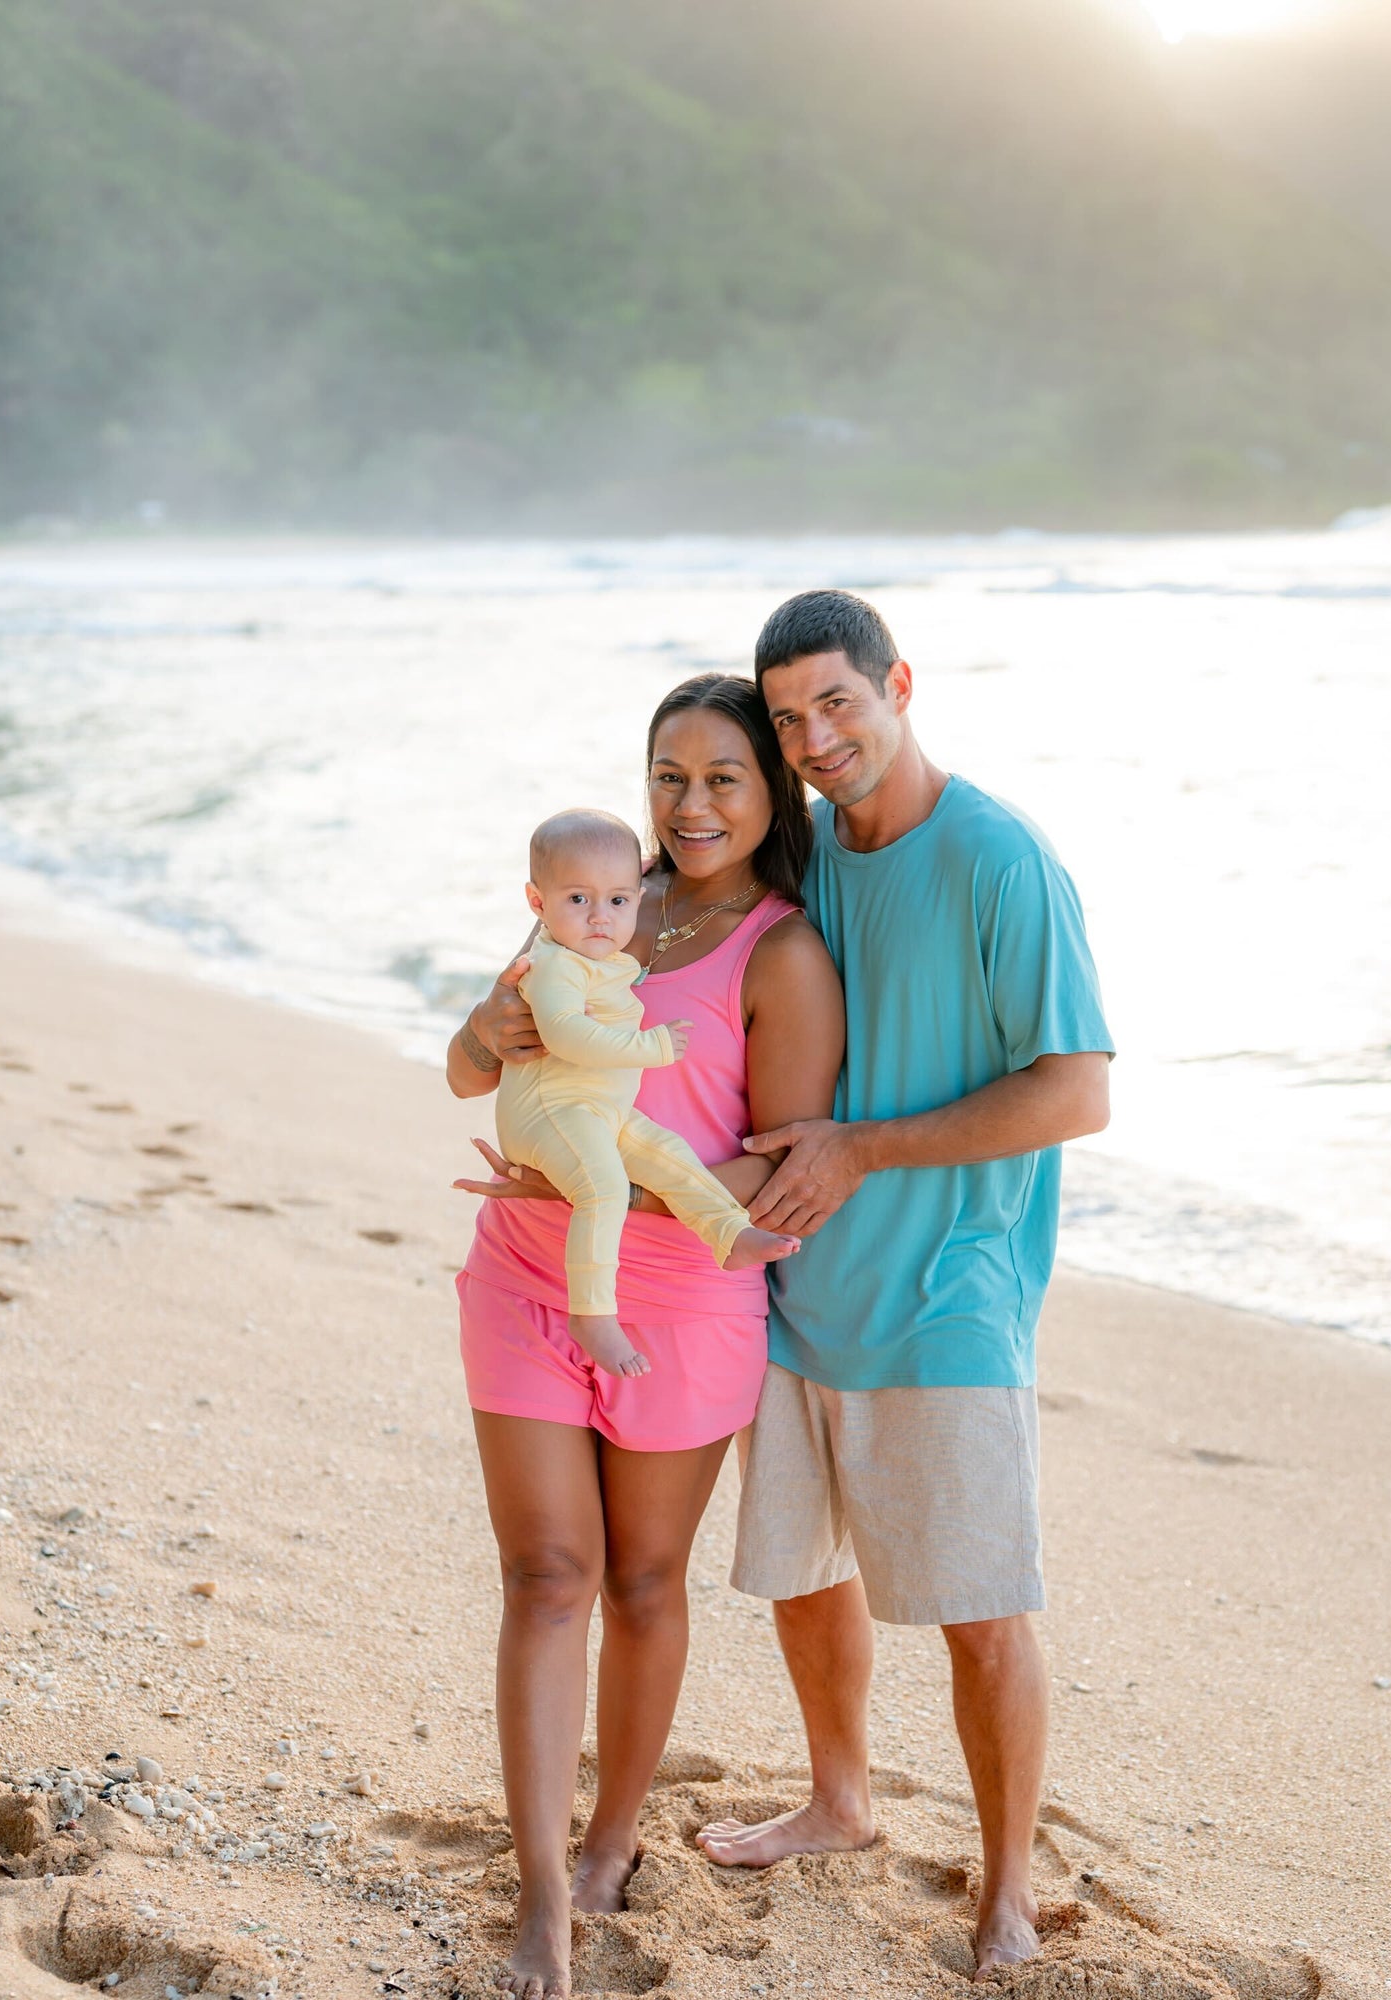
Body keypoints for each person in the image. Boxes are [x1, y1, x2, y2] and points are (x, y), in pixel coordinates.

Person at [692, 590, 1113, 1980]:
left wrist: (864, 1148)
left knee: (985, 1615)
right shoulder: (802, 858)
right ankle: (840, 1800)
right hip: (799, 1281)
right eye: (792, 715)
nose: (814, 737)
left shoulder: (998, 859)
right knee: (805, 1578)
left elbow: (1075, 1092)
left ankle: (1002, 1891)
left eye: (839, 703)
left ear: (900, 685)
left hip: (950, 1293)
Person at [447, 673, 844, 2000]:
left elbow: (780, 1166)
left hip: (681, 1308)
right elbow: (469, 1061)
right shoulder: (594, 905)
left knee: (643, 1586)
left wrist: (592, 1183)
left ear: (769, 792)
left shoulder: (783, 951)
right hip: (521, 1281)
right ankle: (544, 1895)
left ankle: (613, 1836)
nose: (690, 803)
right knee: (547, 1578)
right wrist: (483, 1028)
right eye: (669, 775)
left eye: (724, 776)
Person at [491, 806, 798, 1378]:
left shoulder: (601, 962)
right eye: (578, 900)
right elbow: (563, 1034)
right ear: (538, 904)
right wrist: (650, 1049)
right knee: (603, 1188)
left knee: (669, 1154)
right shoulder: (555, 965)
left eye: (618, 901)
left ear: (638, 897)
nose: (600, 917)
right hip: (550, 1112)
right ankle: (592, 1312)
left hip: (598, 1110)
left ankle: (726, 1232)